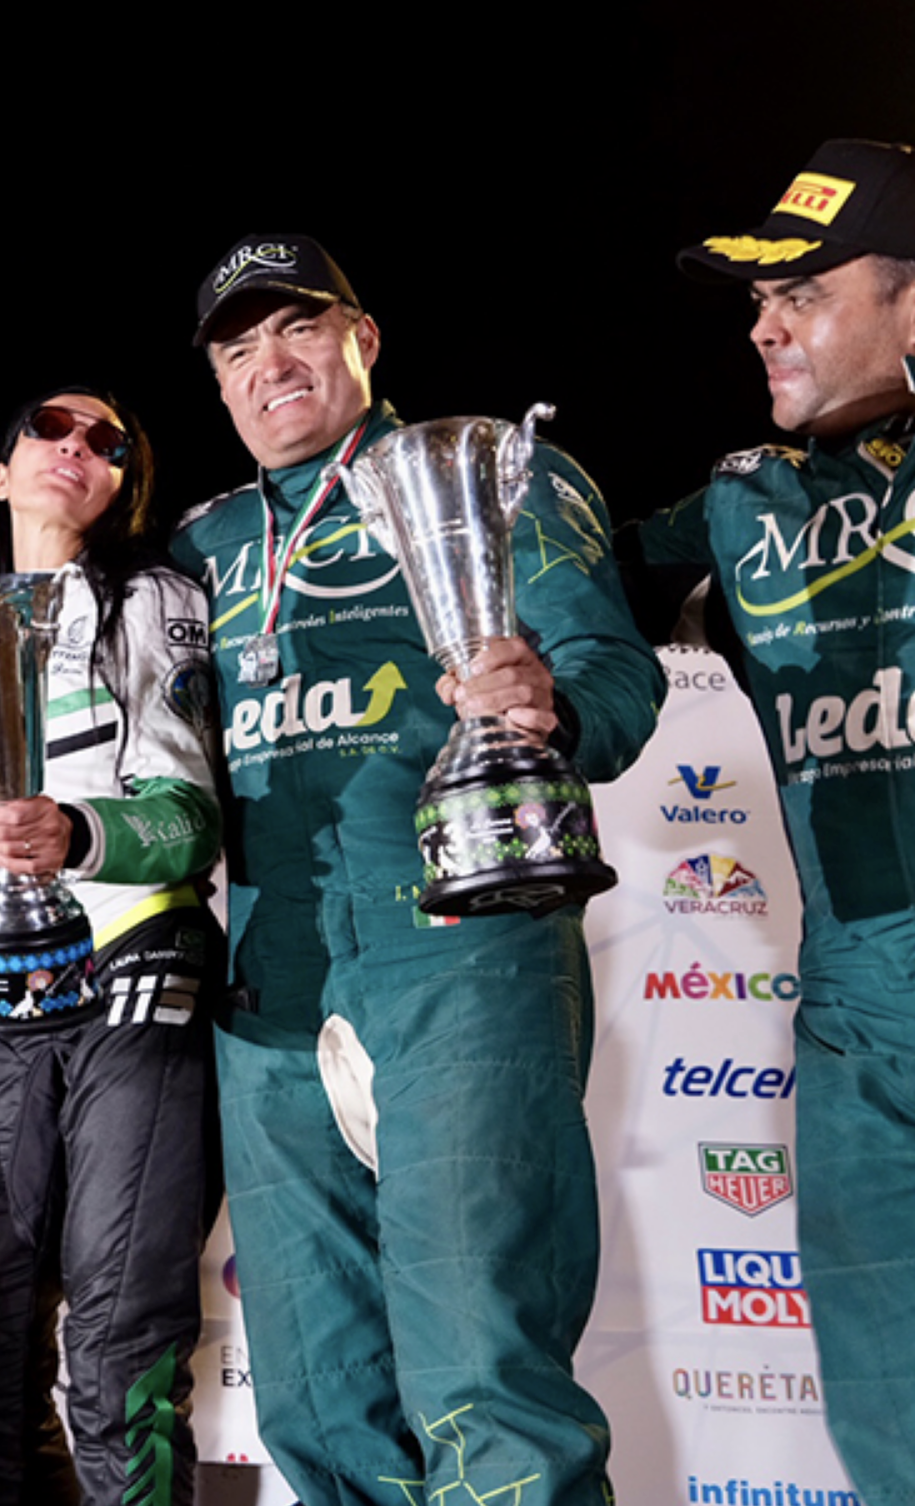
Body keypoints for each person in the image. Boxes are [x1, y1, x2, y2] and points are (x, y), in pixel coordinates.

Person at [170, 236, 661, 1504]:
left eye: (294, 331)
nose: (268, 365)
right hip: (273, 981)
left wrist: (544, 700)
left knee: (483, 1372)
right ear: (218, 389)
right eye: (237, 351)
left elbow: (615, 668)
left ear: (361, 338)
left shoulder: (486, 468)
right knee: (315, 1394)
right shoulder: (204, 542)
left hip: (462, 939)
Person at [623, 139, 915, 1504]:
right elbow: (580, 578)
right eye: (759, 298)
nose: (762, 324)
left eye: (801, 292)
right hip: (865, 1038)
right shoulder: (749, 498)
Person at [0, 389, 222, 1506]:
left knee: (116, 1336)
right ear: (1, 472)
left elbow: (192, 814)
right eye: (49, 430)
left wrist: (79, 834)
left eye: (107, 444)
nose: (77, 449)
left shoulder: (150, 599)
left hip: (135, 965)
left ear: (122, 490)